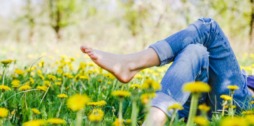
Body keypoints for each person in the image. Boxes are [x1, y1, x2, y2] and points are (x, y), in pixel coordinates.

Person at [80, 17, 254, 125]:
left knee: (209, 27)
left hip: (239, 106)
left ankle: (130, 63)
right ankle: (153, 121)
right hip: (199, 104)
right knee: (195, 50)